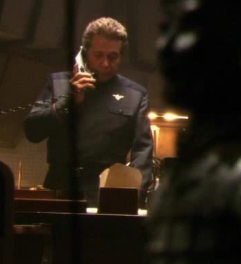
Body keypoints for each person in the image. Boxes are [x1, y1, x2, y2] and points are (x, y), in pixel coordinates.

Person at [24, 17, 153, 208]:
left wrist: (135, 195)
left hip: (107, 189)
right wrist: (68, 102)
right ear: (84, 53)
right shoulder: (59, 83)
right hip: (59, 186)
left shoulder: (135, 94)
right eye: (98, 55)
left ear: (121, 56)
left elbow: (142, 151)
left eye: (113, 56)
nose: (105, 63)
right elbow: (33, 131)